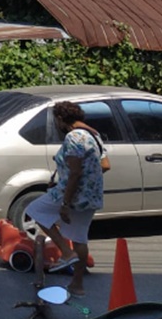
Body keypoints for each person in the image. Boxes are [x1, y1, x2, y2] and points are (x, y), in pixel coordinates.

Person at [26, 100, 106, 296]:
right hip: (91, 195)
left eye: (56, 120)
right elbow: (105, 165)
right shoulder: (94, 135)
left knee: (35, 210)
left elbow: (75, 172)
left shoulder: (73, 137)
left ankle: (65, 251)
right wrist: (88, 181)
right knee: (80, 238)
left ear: (61, 119)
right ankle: (77, 285)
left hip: (73, 194)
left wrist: (65, 202)